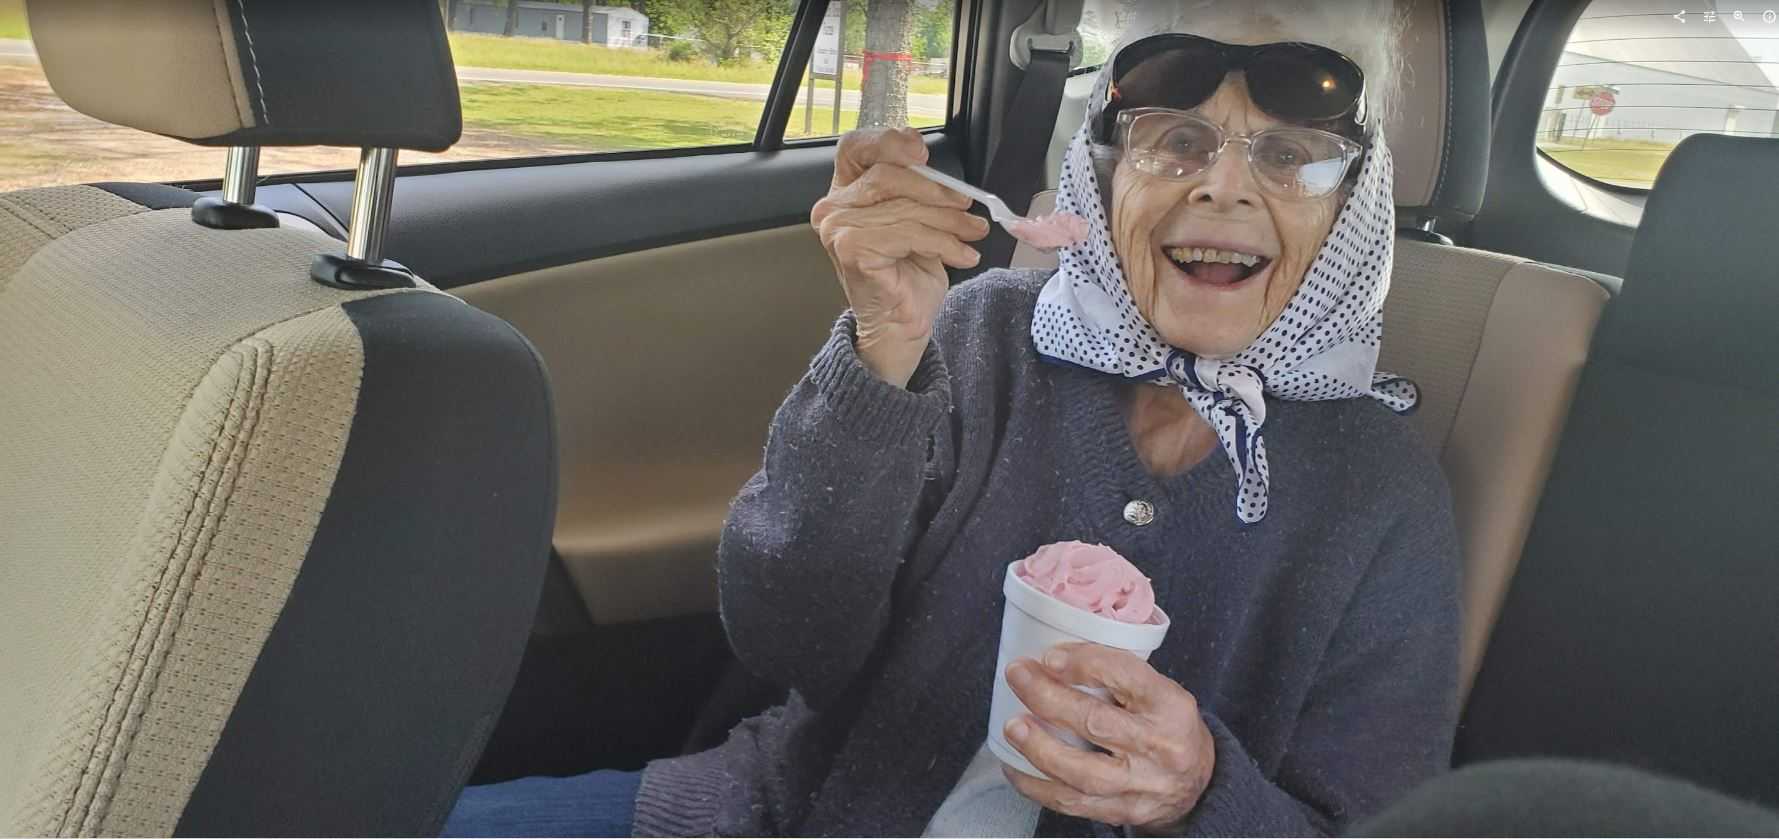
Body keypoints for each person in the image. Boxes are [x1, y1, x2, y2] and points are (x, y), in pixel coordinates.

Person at [445, 2, 1459, 835]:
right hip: (777, 812)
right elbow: (786, 638)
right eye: (1176, 141)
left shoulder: (1379, 490)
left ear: (1348, 203)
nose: (1224, 187)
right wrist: (882, 347)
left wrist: (1197, 794)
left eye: (1288, 155)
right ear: (1105, 172)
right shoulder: (986, 334)